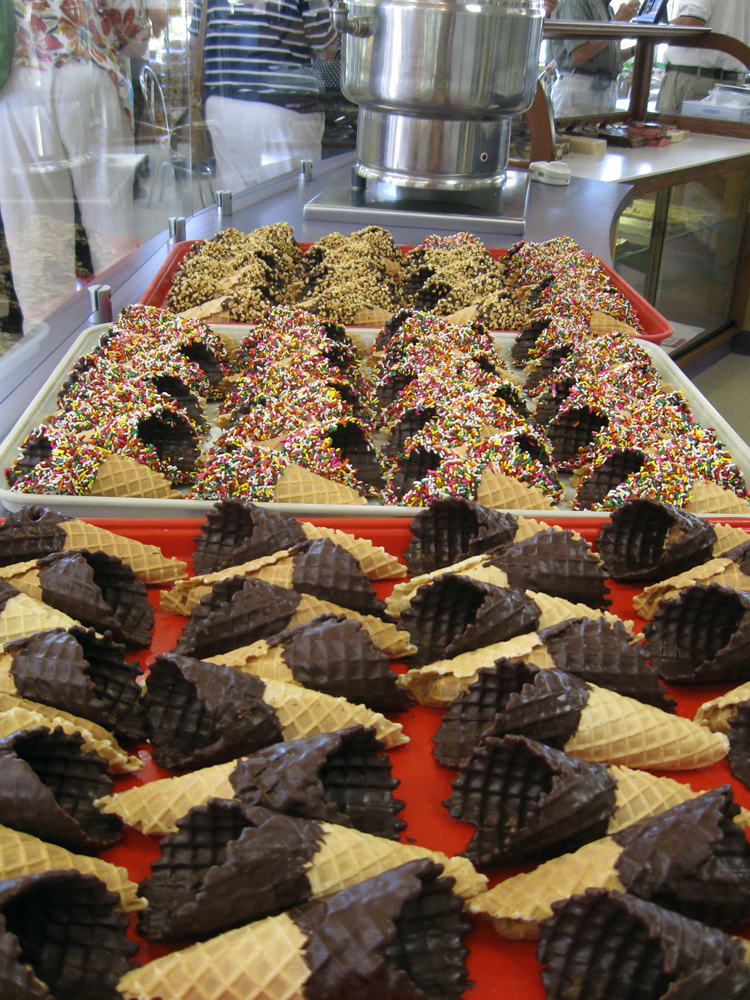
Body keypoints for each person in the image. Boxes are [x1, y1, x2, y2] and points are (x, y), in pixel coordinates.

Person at [0, 0, 151, 335]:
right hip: (87, 73)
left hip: (18, 82)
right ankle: (128, 344)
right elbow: (137, 33)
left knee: (35, 236)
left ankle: (48, 357)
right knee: (109, 226)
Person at [188, 0, 337, 195]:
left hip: (221, 105)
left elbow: (194, 45)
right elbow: (326, 47)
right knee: (287, 203)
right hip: (280, 108)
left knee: (237, 205)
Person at [549, 0, 639, 117]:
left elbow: (606, 58)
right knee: (575, 135)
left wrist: (634, 50)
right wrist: (617, 23)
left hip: (606, 90)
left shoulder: (607, 8)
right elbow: (580, 54)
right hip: (581, 89)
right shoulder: (576, 3)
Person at [657, 1, 750, 114]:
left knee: (672, 130)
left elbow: (692, 21)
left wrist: (655, 27)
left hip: (694, 81)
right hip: (735, 86)